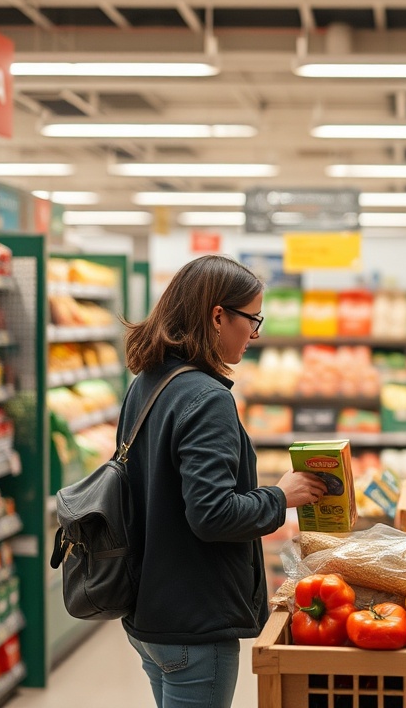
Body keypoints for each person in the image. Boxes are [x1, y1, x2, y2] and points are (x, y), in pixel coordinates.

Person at [120, 255, 328, 708]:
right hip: (195, 622)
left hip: (150, 611)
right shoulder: (206, 398)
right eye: (251, 319)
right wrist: (280, 495)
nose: (255, 334)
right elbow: (212, 515)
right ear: (218, 316)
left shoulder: (149, 381)